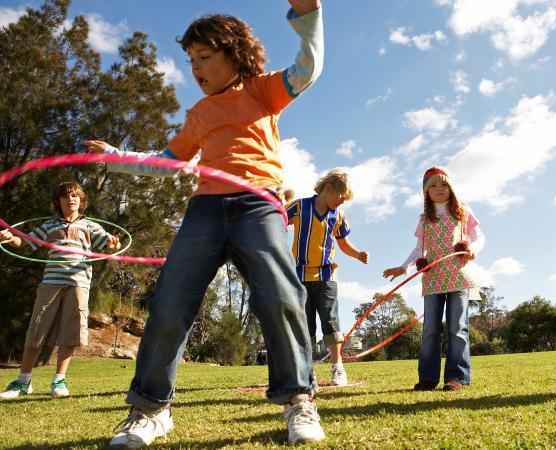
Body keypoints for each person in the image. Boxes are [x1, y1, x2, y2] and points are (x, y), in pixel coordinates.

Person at [84, 0, 325, 446]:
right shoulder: (198, 113)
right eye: (190, 60)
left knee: (279, 295)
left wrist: (309, 17)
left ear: (234, 52)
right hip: (206, 210)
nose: (195, 68)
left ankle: (298, 401)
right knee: (171, 301)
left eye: (204, 56)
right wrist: (117, 158)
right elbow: (165, 163)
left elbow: (307, 68)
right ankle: (151, 410)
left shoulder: (262, 90)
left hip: (258, 203)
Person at [0, 182, 120, 399]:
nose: (70, 199)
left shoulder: (91, 226)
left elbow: (110, 245)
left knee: (70, 332)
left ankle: (59, 381)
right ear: (58, 201)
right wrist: (11, 238)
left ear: (81, 201)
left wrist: (114, 242)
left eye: (75, 196)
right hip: (51, 283)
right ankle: (23, 381)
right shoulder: (49, 225)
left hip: (79, 284)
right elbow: (25, 242)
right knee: (37, 328)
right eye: (65, 196)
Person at [383, 167, 484, 391]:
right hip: (433, 278)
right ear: (426, 192)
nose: (439, 189)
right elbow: (419, 249)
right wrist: (404, 267)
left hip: (458, 276)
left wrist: (472, 249)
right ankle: (428, 378)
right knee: (430, 329)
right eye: (433, 186)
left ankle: (456, 378)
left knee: (457, 327)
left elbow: (479, 236)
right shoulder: (425, 219)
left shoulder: (462, 210)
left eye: (444, 185)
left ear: (452, 188)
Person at [285, 170, 368, 386]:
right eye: (340, 198)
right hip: (300, 275)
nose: (341, 204)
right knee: (304, 323)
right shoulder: (300, 207)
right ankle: (304, 370)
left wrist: (357, 254)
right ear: (329, 188)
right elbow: (278, 219)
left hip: (327, 275)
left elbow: (343, 244)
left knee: (330, 320)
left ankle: (338, 367)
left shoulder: (337, 215)